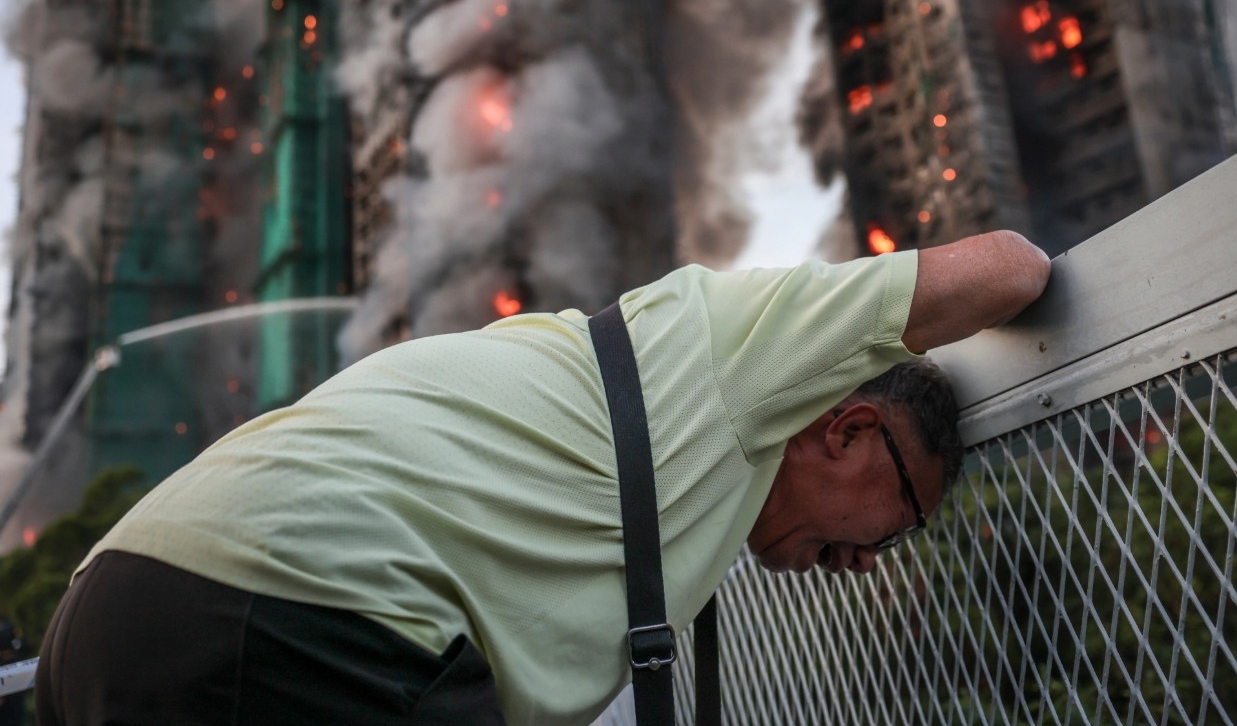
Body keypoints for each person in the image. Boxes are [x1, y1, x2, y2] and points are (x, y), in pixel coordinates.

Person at [35, 230, 1050, 725]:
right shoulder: (740, 347)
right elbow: (1013, 267)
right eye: (901, 521)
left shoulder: (645, 418)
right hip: (298, 618)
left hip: (109, 610)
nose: (868, 564)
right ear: (851, 429)